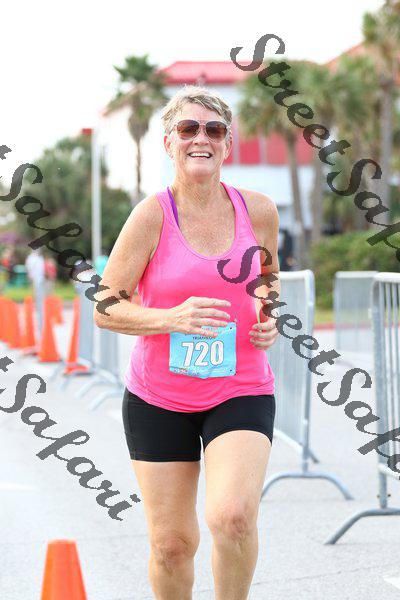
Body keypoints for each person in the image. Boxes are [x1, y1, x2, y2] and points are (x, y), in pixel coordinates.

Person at [95, 85, 280, 600]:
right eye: (188, 128)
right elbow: (105, 307)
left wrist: (269, 315)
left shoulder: (259, 211)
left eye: (214, 130)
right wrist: (170, 319)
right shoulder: (151, 215)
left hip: (240, 386)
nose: (202, 138)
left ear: (227, 144)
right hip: (159, 397)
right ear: (169, 142)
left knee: (232, 517)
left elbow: (268, 279)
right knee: (172, 544)